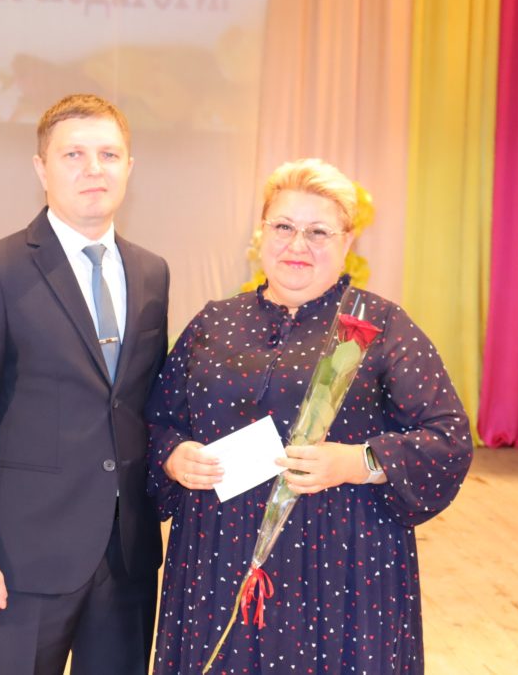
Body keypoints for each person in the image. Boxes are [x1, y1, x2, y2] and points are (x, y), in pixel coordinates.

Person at [145, 158, 473, 673]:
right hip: (217, 559)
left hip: (342, 567)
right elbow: (154, 421)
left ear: (347, 242)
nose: (297, 245)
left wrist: (358, 462)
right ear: (261, 233)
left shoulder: (379, 325)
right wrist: (172, 456)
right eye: (283, 227)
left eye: (318, 231)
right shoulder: (213, 322)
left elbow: (448, 438)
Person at [0, 93, 169, 675]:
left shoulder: (151, 272)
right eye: (73, 155)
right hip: (22, 563)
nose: (94, 169)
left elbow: (141, 405)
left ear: (130, 167)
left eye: (108, 154)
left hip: (126, 560)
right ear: (41, 168)